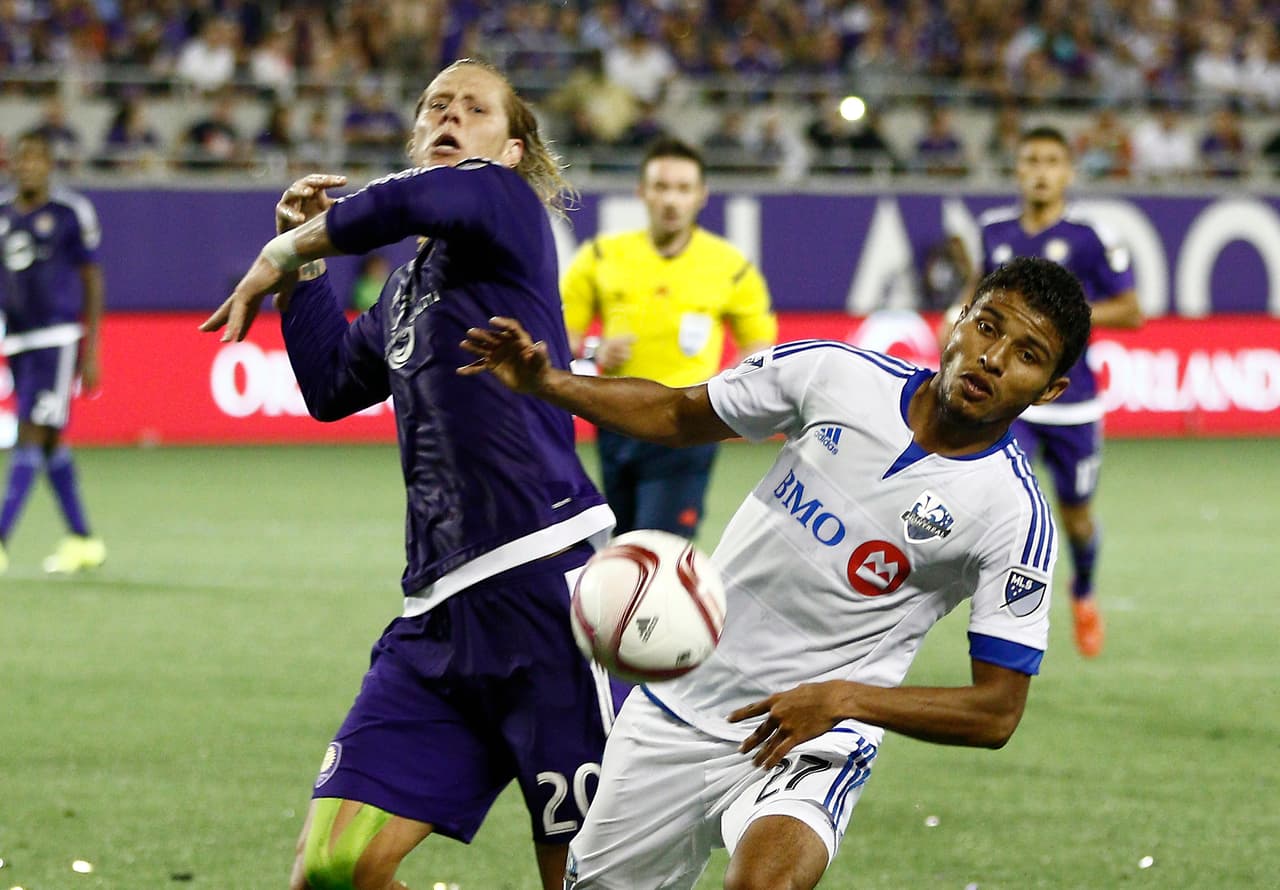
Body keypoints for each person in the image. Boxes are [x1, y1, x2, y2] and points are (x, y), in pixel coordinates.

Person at [457, 254, 1092, 890]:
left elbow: (996, 712)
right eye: (987, 327)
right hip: (677, 704)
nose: (993, 358)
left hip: (812, 736)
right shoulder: (836, 374)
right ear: (959, 320)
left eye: (1027, 355)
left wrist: (845, 700)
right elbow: (678, 414)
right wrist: (548, 383)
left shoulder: (1012, 514)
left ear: (1050, 390)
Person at [200, 58, 624, 890]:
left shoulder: (505, 201)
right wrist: (306, 275)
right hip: (436, 617)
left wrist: (281, 248)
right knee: (332, 870)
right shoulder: (405, 290)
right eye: (435, 105)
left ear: (512, 149)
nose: (449, 116)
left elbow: (400, 204)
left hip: (545, 591)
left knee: (584, 878)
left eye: (474, 108)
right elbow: (330, 387)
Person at [944, 125, 1142, 657]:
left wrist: (1054, 319)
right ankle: (999, 609)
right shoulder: (993, 230)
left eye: (1052, 161)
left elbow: (1132, 310)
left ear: (1068, 173)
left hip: (1074, 403)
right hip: (1012, 401)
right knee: (1000, 499)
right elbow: (979, 294)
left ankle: (1084, 590)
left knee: (1076, 518)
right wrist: (959, 321)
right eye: (1031, 160)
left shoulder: (1090, 237)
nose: (1040, 172)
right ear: (1017, 170)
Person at [559, 138, 776, 540]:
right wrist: (595, 349)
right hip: (616, 417)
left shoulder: (730, 266)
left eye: (683, 188)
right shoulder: (602, 256)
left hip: (685, 423)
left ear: (701, 195)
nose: (671, 200)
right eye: (661, 187)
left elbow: (759, 347)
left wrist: (719, 392)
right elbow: (562, 333)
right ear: (642, 192)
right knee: (622, 544)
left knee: (659, 546)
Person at [0, 131, 106, 575]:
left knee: (30, 433)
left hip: (57, 338)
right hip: (18, 340)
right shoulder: (3, 214)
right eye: (21, 158)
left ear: (49, 165)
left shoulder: (69, 213)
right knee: (48, 442)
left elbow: (91, 278)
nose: (28, 166)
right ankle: (83, 540)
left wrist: (92, 347)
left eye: (37, 159)